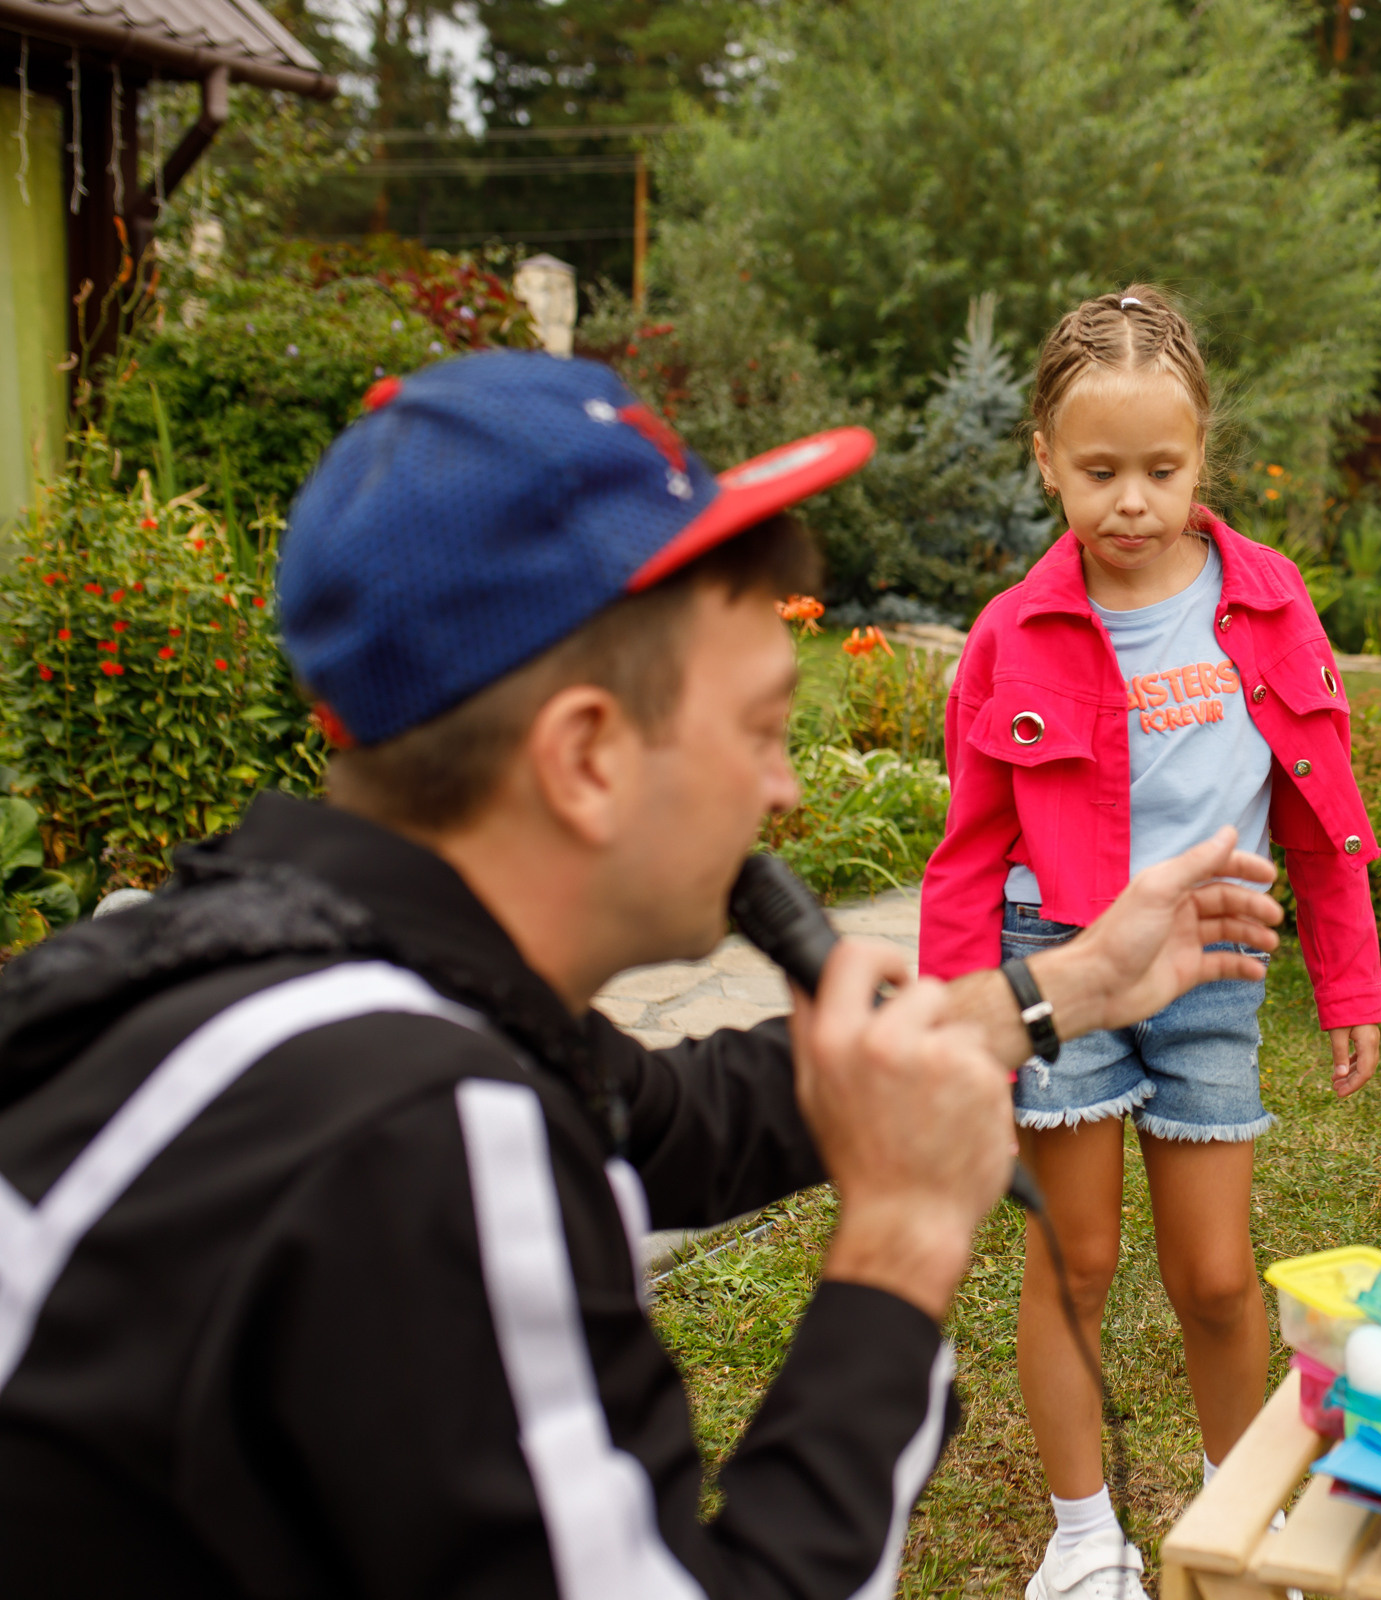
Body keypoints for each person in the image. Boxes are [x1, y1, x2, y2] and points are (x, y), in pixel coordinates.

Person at [0, 351, 1292, 1599]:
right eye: (761, 731)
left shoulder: (297, 967)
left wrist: (1066, 986)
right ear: (586, 758)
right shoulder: (419, 1134)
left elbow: (680, 1113)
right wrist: (899, 1249)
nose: (786, 789)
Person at [917, 286, 1381, 1600]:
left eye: (1161, 471)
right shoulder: (1015, 633)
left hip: (1215, 974)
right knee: (1077, 1261)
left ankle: (1240, 1533)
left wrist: (1348, 981)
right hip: (1054, 960)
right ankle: (1082, 1543)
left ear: (1204, 462)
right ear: (1046, 461)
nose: (1132, 501)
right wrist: (969, 1024)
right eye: (1099, 470)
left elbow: (1323, 814)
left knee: (1221, 1277)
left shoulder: (1269, 604)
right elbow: (966, 849)